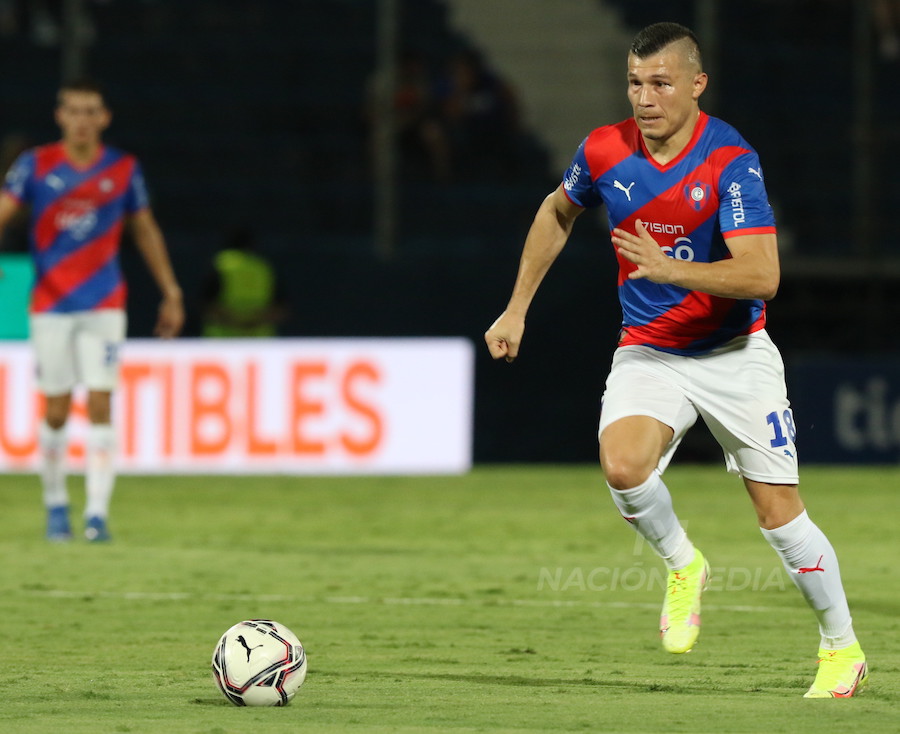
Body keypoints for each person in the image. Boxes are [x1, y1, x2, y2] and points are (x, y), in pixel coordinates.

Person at [484, 22, 866, 698]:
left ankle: (841, 648)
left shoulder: (731, 161)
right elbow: (556, 211)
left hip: (735, 355)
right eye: (635, 82)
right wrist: (517, 308)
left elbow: (763, 275)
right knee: (622, 466)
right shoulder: (603, 150)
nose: (644, 98)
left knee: (780, 515)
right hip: (651, 351)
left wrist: (673, 270)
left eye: (660, 83)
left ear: (696, 84)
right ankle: (684, 564)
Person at [0, 77, 184, 542]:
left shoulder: (122, 169)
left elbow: (145, 230)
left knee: (101, 401)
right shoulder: (36, 166)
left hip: (105, 303)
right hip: (51, 304)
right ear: (60, 116)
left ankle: (97, 515)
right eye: (74, 111)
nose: (82, 121)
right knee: (57, 410)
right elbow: (4, 210)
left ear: (104, 118)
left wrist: (171, 290)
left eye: (90, 112)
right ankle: (56, 504)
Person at [202, 226, 286, 338]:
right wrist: (252, 322)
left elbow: (205, 305)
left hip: (223, 343)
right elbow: (281, 309)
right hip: (258, 343)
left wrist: (236, 322)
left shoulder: (220, 264)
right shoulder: (263, 267)